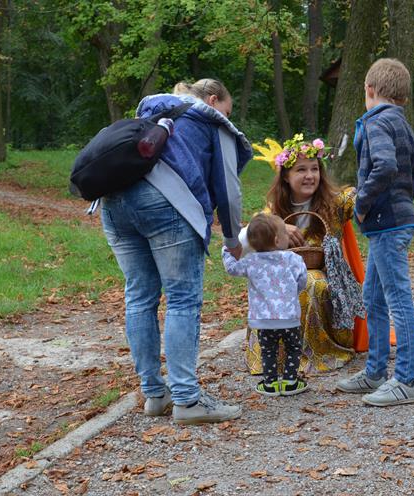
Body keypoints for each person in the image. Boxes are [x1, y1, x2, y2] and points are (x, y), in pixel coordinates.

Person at [100, 78, 252, 425]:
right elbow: (229, 189)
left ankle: (154, 394)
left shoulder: (152, 109)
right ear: (213, 100)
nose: (228, 116)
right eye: (227, 110)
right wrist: (232, 239)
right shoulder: (211, 121)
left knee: (139, 296)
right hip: (167, 203)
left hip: (113, 202)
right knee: (183, 298)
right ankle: (186, 399)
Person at [336, 58, 414, 407]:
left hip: (388, 224)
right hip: (394, 221)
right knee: (373, 298)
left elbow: (386, 165)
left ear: (370, 91)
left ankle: (406, 380)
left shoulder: (375, 123)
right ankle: (374, 371)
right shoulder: (401, 123)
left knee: (398, 300)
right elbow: (410, 173)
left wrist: (362, 203)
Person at [245, 135, 360, 375]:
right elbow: (248, 237)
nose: (310, 176)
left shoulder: (333, 203)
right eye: (301, 170)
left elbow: (357, 197)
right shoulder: (274, 209)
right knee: (277, 287)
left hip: (324, 276)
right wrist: (277, 225)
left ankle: (315, 353)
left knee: (311, 282)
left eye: (314, 169)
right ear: (286, 176)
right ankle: (273, 357)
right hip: (281, 277)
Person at [223, 213, 309, 396]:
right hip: (289, 318)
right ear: (278, 240)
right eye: (286, 234)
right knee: (293, 347)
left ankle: (270, 384)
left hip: (263, 320)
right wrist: (294, 294)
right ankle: (290, 382)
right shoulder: (293, 259)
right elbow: (302, 280)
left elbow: (232, 268)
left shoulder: (251, 262)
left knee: (268, 350)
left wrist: (226, 250)